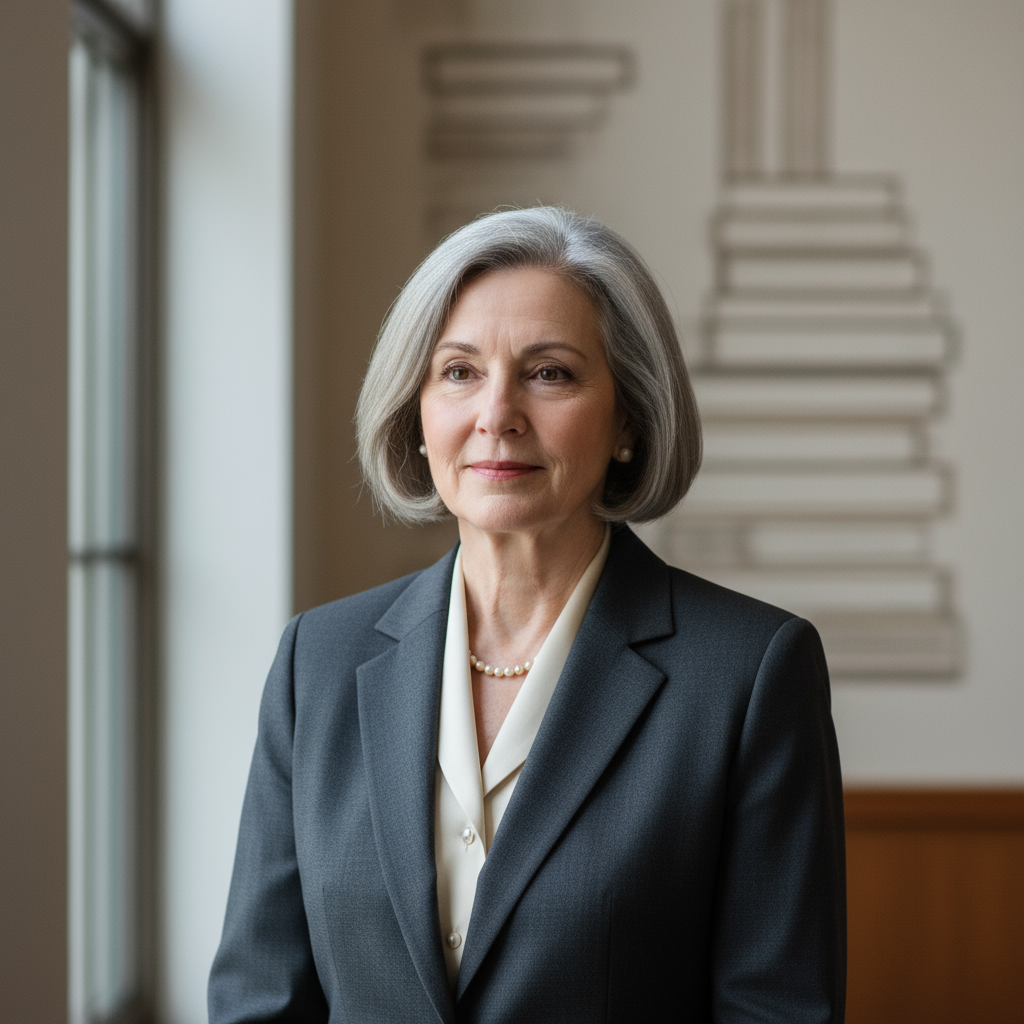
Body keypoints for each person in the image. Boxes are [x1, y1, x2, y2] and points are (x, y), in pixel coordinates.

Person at [208, 207, 846, 1023]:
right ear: (418, 409)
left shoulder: (750, 674)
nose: (497, 413)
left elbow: (777, 1010)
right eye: (459, 372)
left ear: (628, 420)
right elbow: (258, 999)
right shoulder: (316, 661)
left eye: (549, 373)